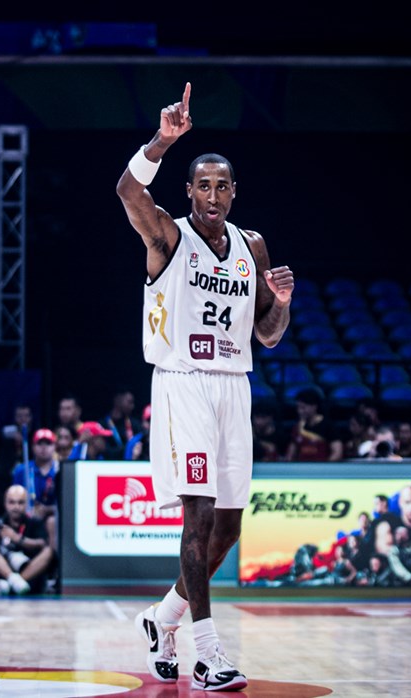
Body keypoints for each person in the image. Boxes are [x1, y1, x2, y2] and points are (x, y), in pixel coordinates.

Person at [116, 82, 294, 691]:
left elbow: (267, 336)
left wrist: (285, 304)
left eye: (223, 186)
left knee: (230, 527)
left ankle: (161, 619)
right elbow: (127, 191)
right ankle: (206, 651)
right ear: (188, 191)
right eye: (203, 186)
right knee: (196, 517)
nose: (213, 195)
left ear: (233, 192)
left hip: (234, 385)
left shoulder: (253, 246)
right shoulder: (167, 235)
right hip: (183, 383)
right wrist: (163, 141)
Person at [0, 484, 56, 596]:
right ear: (5, 503)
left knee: (48, 552)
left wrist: (17, 538)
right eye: (12, 502)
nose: (16, 507)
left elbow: (42, 544)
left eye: (20, 502)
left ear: (26, 504)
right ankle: (14, 581)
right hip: (3, 569)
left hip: (28, 570)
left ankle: (14, 583)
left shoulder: (34, 522)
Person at [11, 428, 61, 550]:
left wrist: (47, 510)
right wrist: (25, 509)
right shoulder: (21, 470)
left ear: (54, 447)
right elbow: (13, 497)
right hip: (26, 517)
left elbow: (66, 504)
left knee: (52, 522)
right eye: (39, 444)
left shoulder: (60, 470)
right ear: (33, 447)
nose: (43, 448)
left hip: (53, 517)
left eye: (48, 444)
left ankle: (53, 559)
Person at [0, 404, 34, 518]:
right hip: (3, 477)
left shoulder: (34, 437)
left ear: (31, 418)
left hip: (26, 477)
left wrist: (23, 442)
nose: (23, 419)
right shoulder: (5, 434)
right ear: (15, 418)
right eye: (19, 416)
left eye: (26, 416)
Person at [284, 388, 343, 462]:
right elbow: (290, 455)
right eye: (298, 407)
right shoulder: (297, 427)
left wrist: (325, 468)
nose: (300, 411)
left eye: (303, 407)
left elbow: (337, 453)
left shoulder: (328, 426)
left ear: (314, 406)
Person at [102, 386, 142, 460]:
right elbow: (104, 451)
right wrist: (127, 448)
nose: (132, 406)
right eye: (129, 402)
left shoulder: (135, 425)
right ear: (117, 400)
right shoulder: (103, 424)